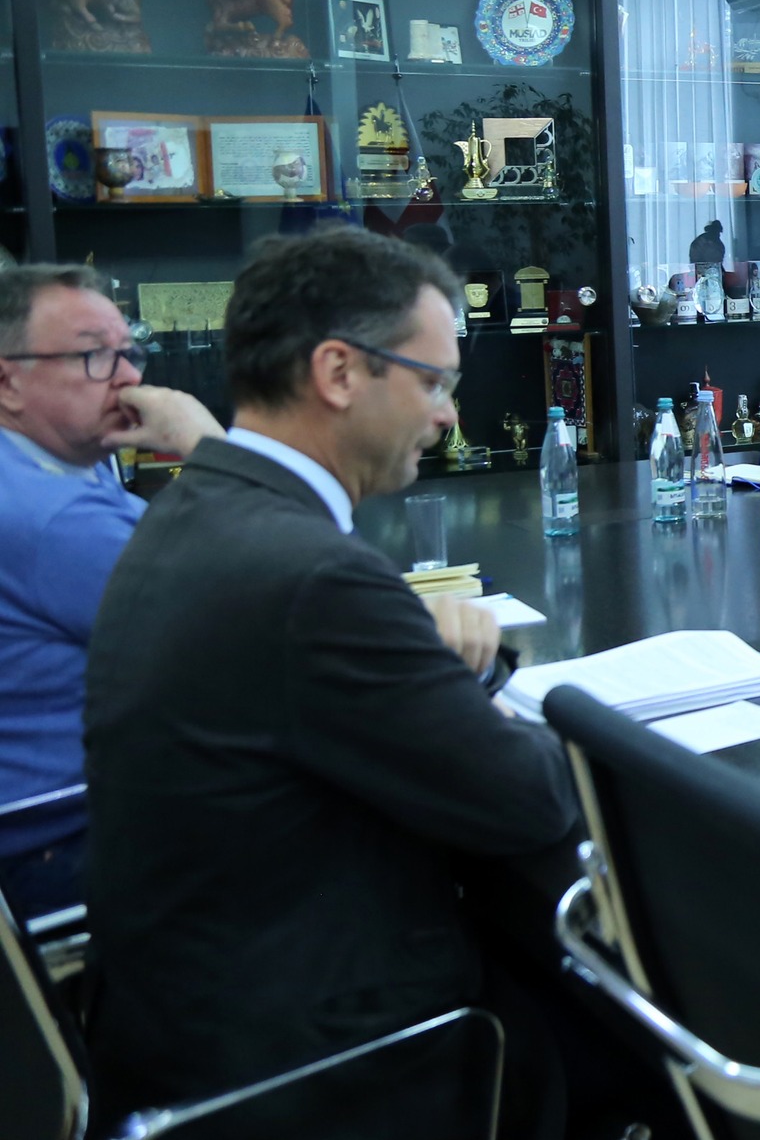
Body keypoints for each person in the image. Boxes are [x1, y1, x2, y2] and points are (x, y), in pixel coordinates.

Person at [84, 228, 580, 1124]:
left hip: (177, 1024)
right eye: (433, 382)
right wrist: (471, 685)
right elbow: (530, 799)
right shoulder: (312, 577)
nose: (448, 416)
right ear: (340, 373)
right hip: (318, 1062)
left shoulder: (195, 507)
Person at [0, 263, 222, 919]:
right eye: (93, 356)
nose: (128, 377)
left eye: (129, 351)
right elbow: (257, 613)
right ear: (8, 381)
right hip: (64, 845)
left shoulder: (60, 460)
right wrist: (208, 446)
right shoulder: (55, 518)